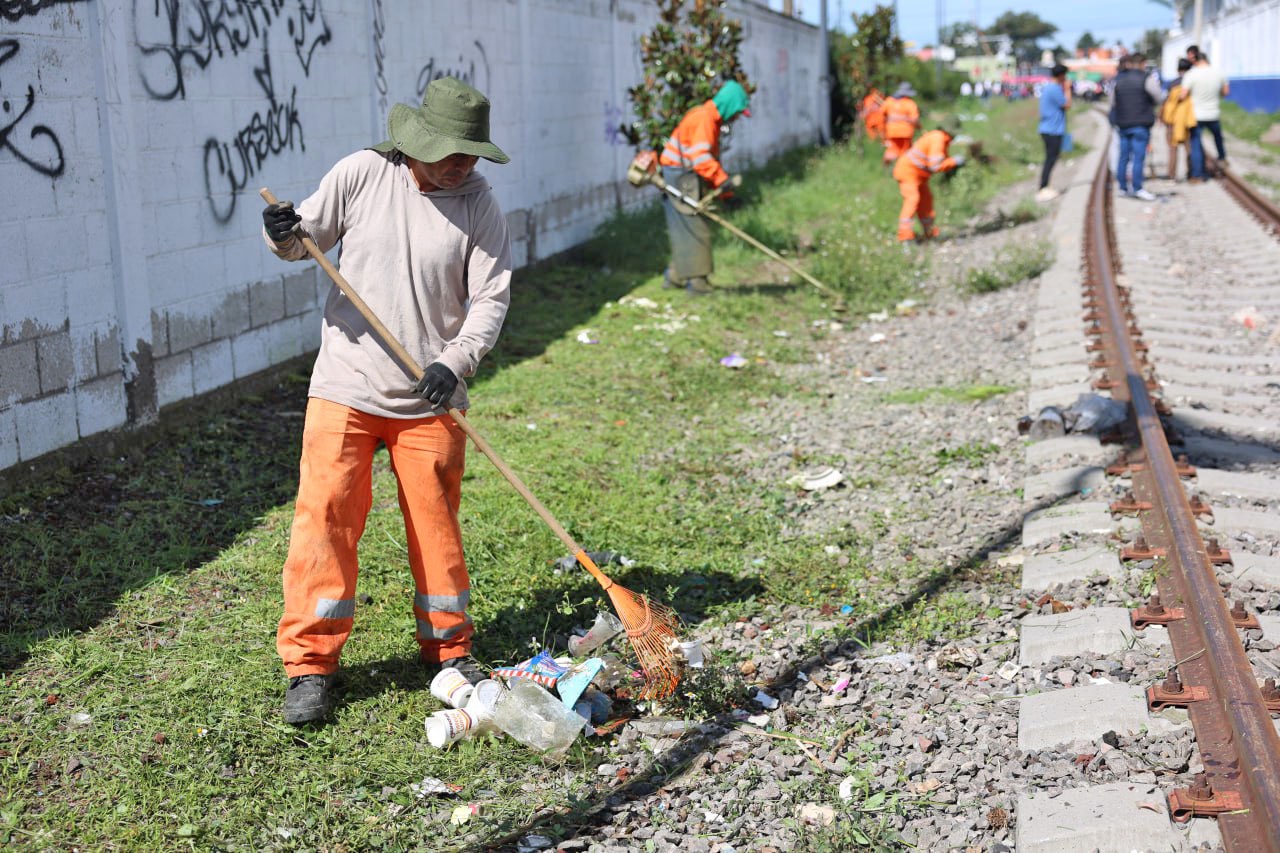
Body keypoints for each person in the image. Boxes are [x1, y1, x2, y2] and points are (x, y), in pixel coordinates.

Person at [260, 76, 513, 725]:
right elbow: (303, 241)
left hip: (430, 395)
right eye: (452, 151)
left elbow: (490, 298)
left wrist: (455, 361)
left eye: (471, 153)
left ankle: (450, 650)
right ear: (419, 139)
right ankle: (309, 666)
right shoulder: (362, 173)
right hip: (346, 383)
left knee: (436, 524)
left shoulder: (479, 203)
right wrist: (282, 231)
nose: (463, 164)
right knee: (325, 518)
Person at [658, 79, 751, 294]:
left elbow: (707, 162)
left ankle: (674, 276)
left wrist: (727, 195)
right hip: (679, 176)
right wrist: (723, 180)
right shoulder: (704, 119)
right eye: (737, 113)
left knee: (687, 227)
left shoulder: (711, 120)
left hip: (684, 174)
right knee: (695, 227)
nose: (737, 118)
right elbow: (700, 159)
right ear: (729, 106)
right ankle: (697, 284)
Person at [892, 114, 965, 243]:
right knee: (912, 200)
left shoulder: (941, 139)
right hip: (908, 172)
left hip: (919, 176)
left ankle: (930, 232)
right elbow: (935, 166)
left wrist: (951, 164)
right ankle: (905, 237)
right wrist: (954, 161)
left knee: (926, 202)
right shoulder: (938, 139)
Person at [1111, 52, 1162, 201]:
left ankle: (1122, 188)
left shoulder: (1118, 80)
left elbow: (1112, 103)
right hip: (1141, 123)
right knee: (1138, 158)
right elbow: (1158, 97)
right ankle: (1137, 188)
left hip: (1123, 124)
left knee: (1123, 157)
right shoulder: (1146, 79)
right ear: (1143, 63)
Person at [1180, 51, 1229, 181]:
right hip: (1213, 113)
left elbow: (1183, 95)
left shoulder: (1191, 74)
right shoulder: (1219, 72)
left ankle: (1197, 175)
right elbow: (1225, 92)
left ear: (1196, 61)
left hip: (1196, 115)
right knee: (1218, 137)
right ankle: (1222, 157)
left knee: (1196, 144)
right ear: (1207, 59)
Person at [1036, 64, 1071, 202]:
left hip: (1048, 128)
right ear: (1061, 75)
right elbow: (1067, 104)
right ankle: (1043, 187)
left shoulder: (1048, 87)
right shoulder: (1055, 88)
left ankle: (1045, 186)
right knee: (1050, 159)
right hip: (1052, 130)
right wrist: (1067, 89)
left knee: (1050, 158)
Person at [1161, 58, 1196, 180]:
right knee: (1189, 148)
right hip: (1189, 120)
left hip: (1173, 121)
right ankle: (1191, 173)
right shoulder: (1193, 84)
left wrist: (1163, 118)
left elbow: (1166, 103)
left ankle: (1171, 175)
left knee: (1173, 148)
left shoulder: (1172, 84)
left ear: (1178, 70)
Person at [882, 82, 920, 166]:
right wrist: (918, 126)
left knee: (892, 150)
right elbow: (915, 120)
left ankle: (885, 168)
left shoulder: (889, 101)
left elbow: (882, 115)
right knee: (905, 152)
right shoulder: (910, 103)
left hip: (891, 132)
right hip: (905, 132)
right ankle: (901, 169)